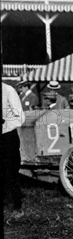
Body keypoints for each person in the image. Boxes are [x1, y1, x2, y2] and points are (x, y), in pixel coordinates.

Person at [2, 81, 26, 218]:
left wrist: (4, 125)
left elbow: (20, 118)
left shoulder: (9, 90)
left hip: (8, 137)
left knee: (11, 173)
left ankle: (17, 207)